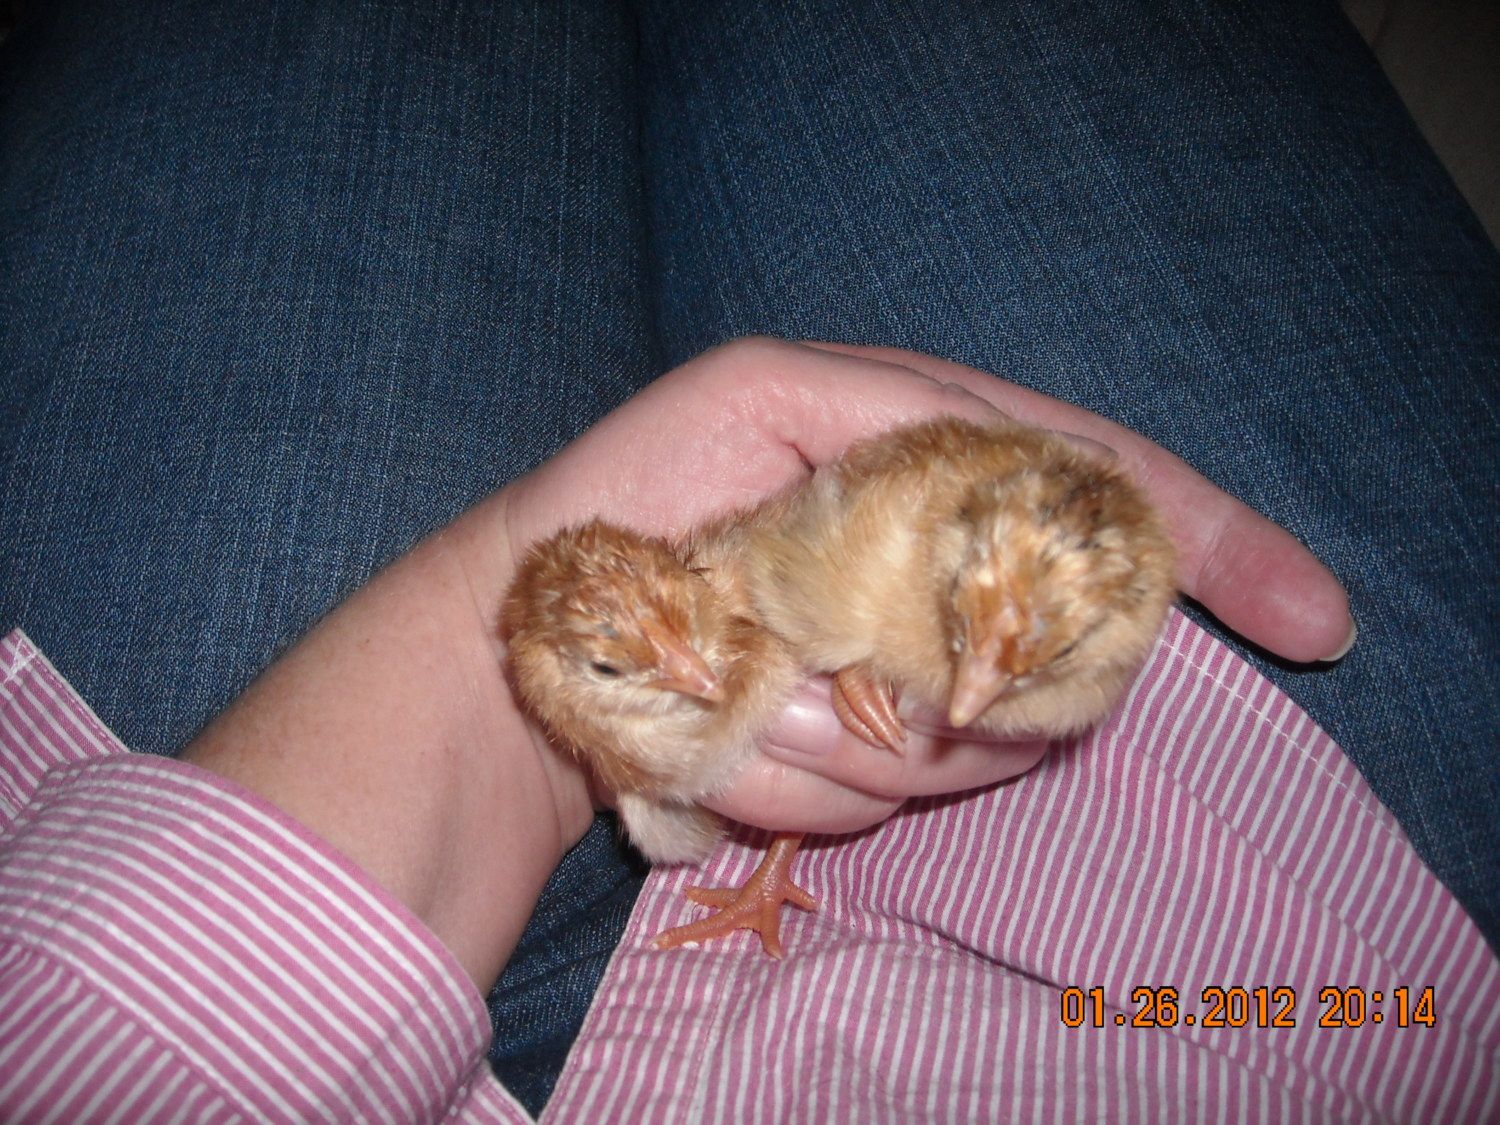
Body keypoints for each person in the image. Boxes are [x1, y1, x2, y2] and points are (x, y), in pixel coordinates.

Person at [1, 0, 1495, 1117]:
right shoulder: (1397, 1038)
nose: (978, 691)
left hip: (274, 843)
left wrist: (491, 627)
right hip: (1296, 923)